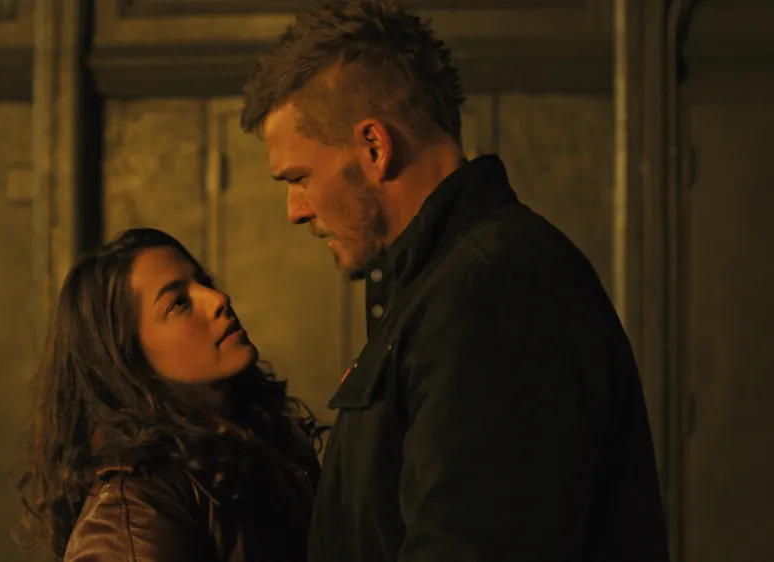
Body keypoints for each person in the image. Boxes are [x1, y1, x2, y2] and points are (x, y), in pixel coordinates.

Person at [240, 1, 670, 561]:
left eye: (298, 178)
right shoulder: (444, 287)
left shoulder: (494, 288)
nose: (295, 211)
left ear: (374, 148)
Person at [14, 227, 325, 562]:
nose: (218, 299)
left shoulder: (259, 439)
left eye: (204, 282)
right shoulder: (134, 509)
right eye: (178, 302)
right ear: (128, 358)